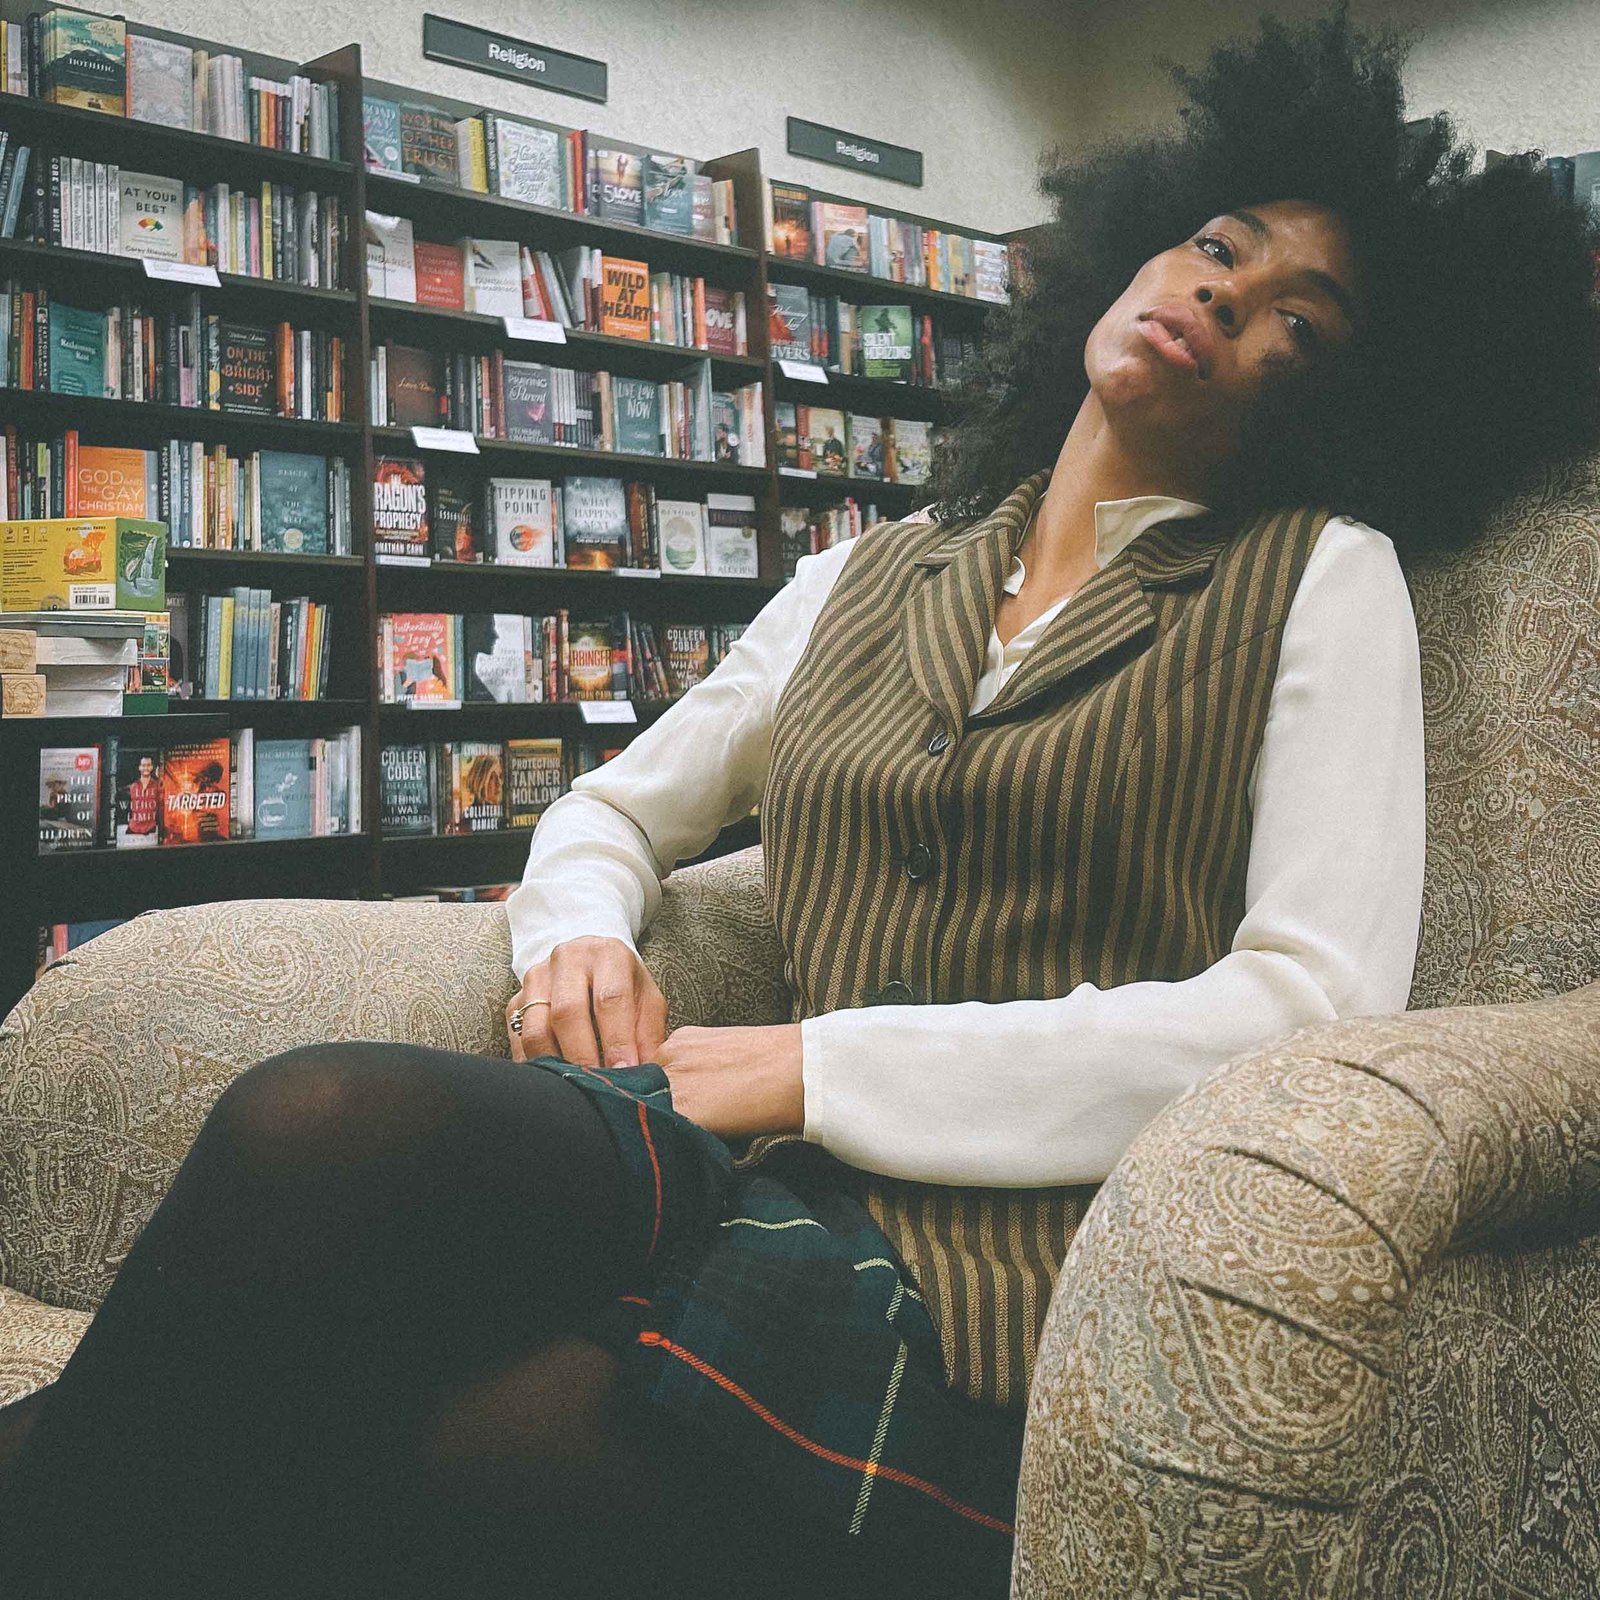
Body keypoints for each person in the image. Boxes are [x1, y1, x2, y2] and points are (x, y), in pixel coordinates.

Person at [3, 6, 1598, 1598]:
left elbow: (1307, 1002)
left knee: (468, 1448)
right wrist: (573, 937)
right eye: (1215, 246)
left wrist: (817, 1066)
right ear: (1132, 254)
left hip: (1024, 1271)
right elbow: (612, 812)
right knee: (319, 1116)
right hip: (749, 1181)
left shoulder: (1323, 576)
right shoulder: (859, 573)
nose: (1221, 292)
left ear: (1340, 404)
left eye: (1295, 323)